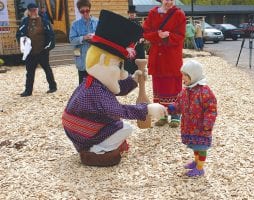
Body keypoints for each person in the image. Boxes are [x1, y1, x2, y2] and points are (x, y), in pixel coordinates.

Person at [62, 10, 167, 167]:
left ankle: (97, 145)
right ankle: (97, 149)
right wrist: (148, 109)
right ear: (104, 60)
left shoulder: (93, 81)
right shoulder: (95, 92)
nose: (122, 72)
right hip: (84, 134)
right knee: (125, 128)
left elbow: (117, 89)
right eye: (119, 66)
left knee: (117, 124)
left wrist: (133, 80)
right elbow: (120, 110)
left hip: (80, 128)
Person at [168, 59, 217, 177]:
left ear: (194, 75)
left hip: (201, 127)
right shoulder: (185, 91)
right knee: (195, 145)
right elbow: (179, 104)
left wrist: (208, 123)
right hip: (190, 126)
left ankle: (200, 168)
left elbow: (211, 108)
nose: (183, 78)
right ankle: (196, 162)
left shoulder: (204, 91)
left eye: (185, 75)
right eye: (183, 75)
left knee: (201, 147)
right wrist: (172, 108)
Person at [143, 0, 186, 128]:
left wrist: (168, 36)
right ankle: (162, 115)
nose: (169, 1)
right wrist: (157, 35)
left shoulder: (179, 14)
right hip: (157, 57)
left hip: (172, 57)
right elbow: (145, 33)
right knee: (158, 86)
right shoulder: (152, 13)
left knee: (173, 85)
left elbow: (181, 35)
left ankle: (175, 115)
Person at [16, 3, 57, 97]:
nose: (33, 12)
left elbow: (51, 35)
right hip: (30, 52)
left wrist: (48, 47)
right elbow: (19, 34)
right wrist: (23, 43)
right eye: (31, 10)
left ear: (37, 10)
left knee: (47, 69)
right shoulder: (24, 22)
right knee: (29, 72)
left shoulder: (45, 21)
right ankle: (28, 91)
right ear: (28, 12)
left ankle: (53, 86)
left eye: (35, 10)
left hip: (42, 51)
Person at [69, 0, 98, 84]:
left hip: (95, 59)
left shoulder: (97, 22)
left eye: (87, 10)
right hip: (82, 59)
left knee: (97, 84)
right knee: (83, 85)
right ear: (79, 11)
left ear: (90, 9)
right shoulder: (75, 24)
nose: (85, 13)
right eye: (82, 11)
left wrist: (95, 38)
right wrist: (84, 37)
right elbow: (72, 40)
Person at [124, 5, 145, 74]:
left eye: (133, 14)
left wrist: (142, 38)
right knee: (129, 63)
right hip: (129, 45)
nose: (132, 15)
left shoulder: (138, 23)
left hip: (137, 45)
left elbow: (141, 33)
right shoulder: (126, 22)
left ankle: (139, 72)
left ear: (135, 14)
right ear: (129, 14)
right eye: (131, 14)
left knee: (138, 60)